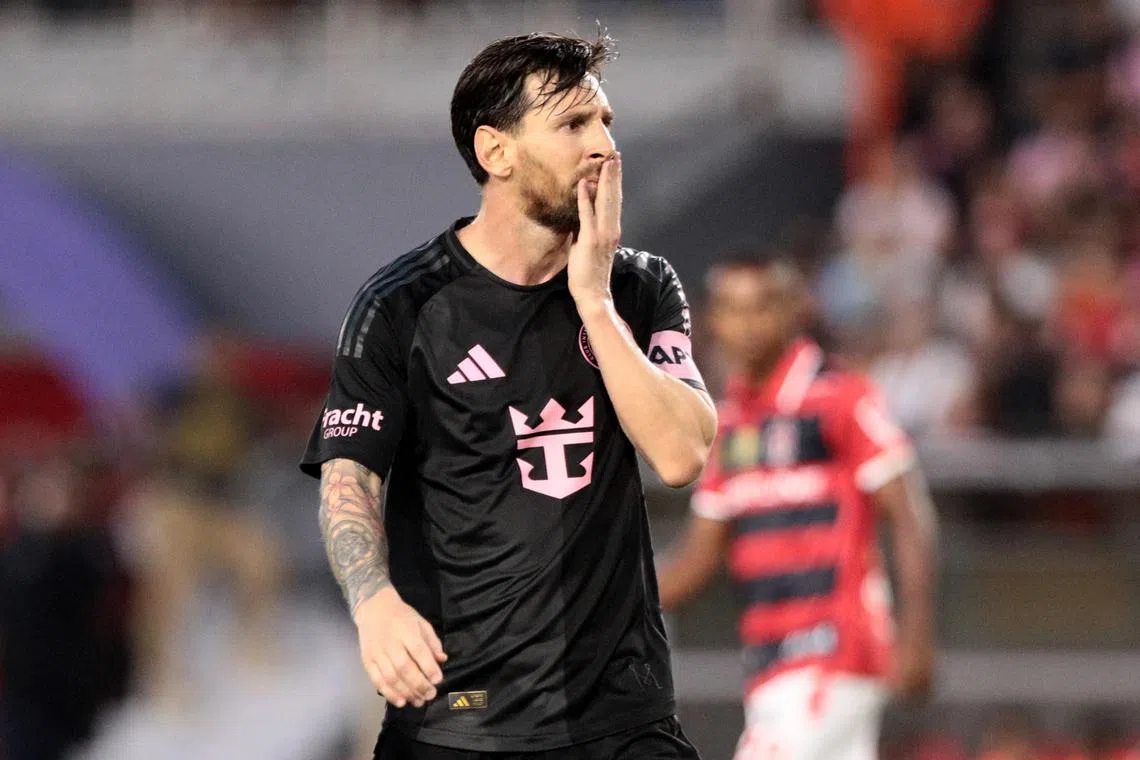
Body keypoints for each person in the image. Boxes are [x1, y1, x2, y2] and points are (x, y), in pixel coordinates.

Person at [300, 33, 716, 760]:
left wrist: (594, 301)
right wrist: (374, 603)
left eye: (606, 123)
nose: (604, 147)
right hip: (462, 717)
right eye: (573, 125)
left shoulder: (640, 287)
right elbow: (350, 476)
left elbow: (681, 455)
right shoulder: (403, 304)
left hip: (622, 720)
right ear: (496, 152)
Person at [657, 253, 938, 760]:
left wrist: (915, 631)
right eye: (731, 309)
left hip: (834, 653)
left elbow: (907, 512)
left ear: (793, 309)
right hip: (768, 666)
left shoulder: (840, 396)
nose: (746, 325)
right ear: (712, 320)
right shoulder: (730, 423)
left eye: (761, 306)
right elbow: (696, 559)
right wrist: (603, 600)